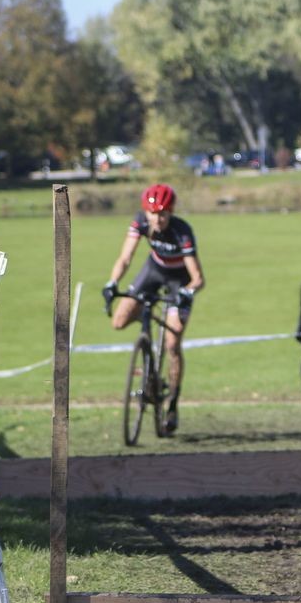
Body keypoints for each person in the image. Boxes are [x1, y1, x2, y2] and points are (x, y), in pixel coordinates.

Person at [102, 183, 205, 435]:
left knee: (172, 344)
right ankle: (149, 319)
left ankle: (173, 403)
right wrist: (112, 283)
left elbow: (197, 278)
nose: (157, 219)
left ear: (170, 212)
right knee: (118, 321)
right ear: (145, 212)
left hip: (179, 281)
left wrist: (187, 293)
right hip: (154, 271)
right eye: (152, 213)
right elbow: (125, 257)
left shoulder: (182, 232)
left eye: (163, 214)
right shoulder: (141, 222)